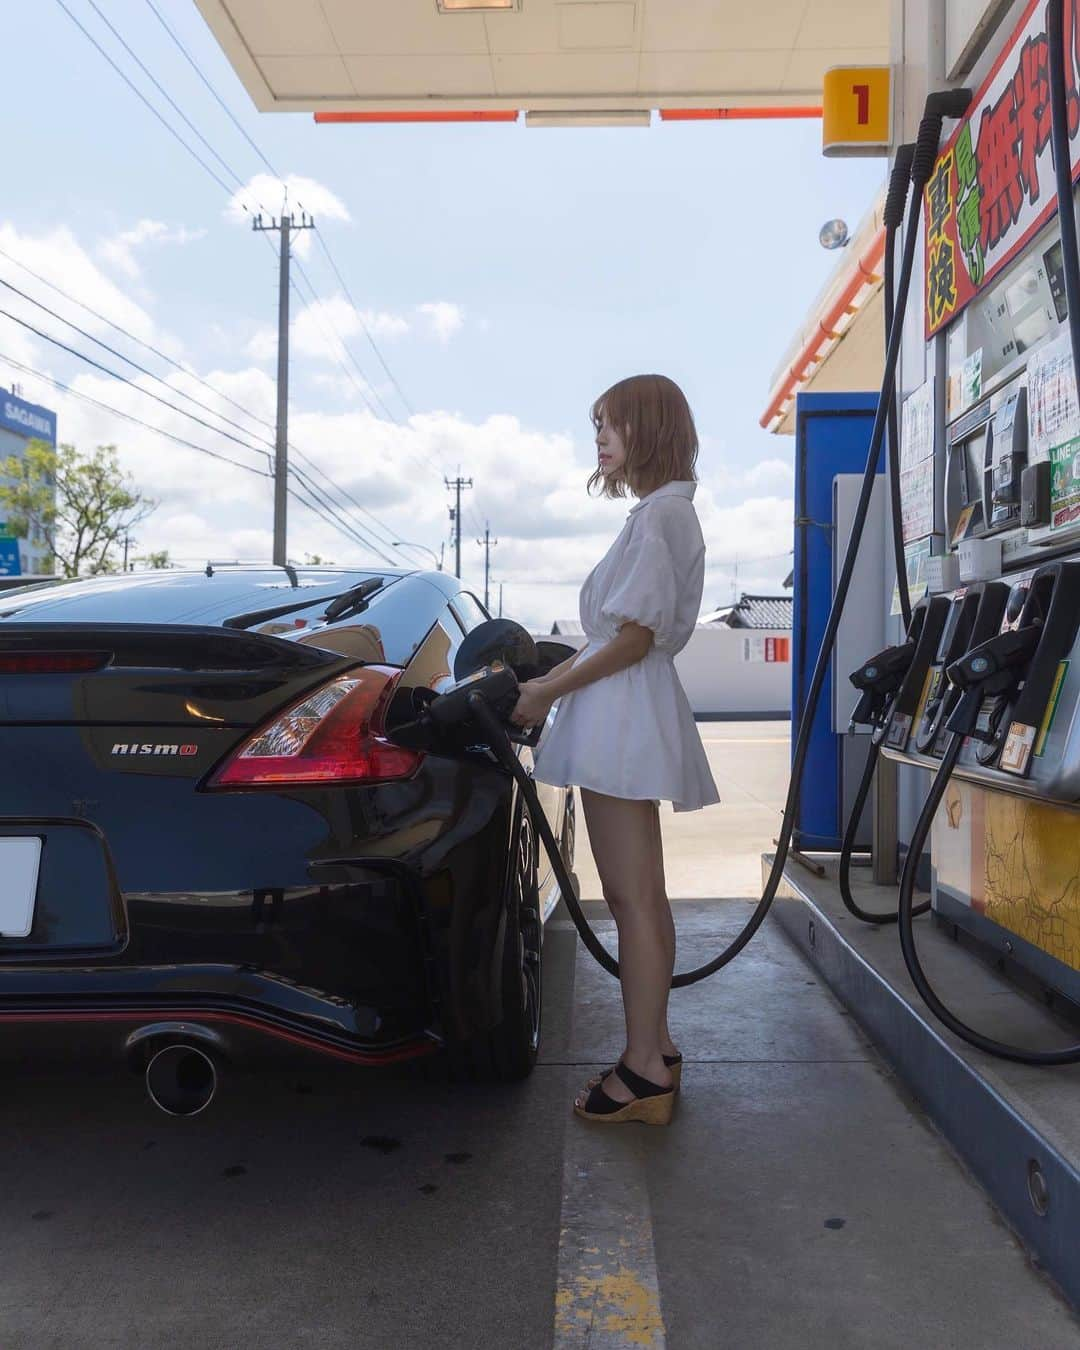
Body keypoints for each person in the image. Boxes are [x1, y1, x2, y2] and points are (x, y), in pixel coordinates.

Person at [511, 373, 719, 1126]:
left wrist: (547, 692)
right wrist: (550, 685)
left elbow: (630, 637)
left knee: (632, 899)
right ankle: (654, 1049)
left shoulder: (660, 519)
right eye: (596, 423)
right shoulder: (660, 515)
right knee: (642, 897)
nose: (599, 437)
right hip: (625, 712)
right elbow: (616, 637)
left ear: (649, 428)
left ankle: (641, 1070)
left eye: (612, 423)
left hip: (621, 719)